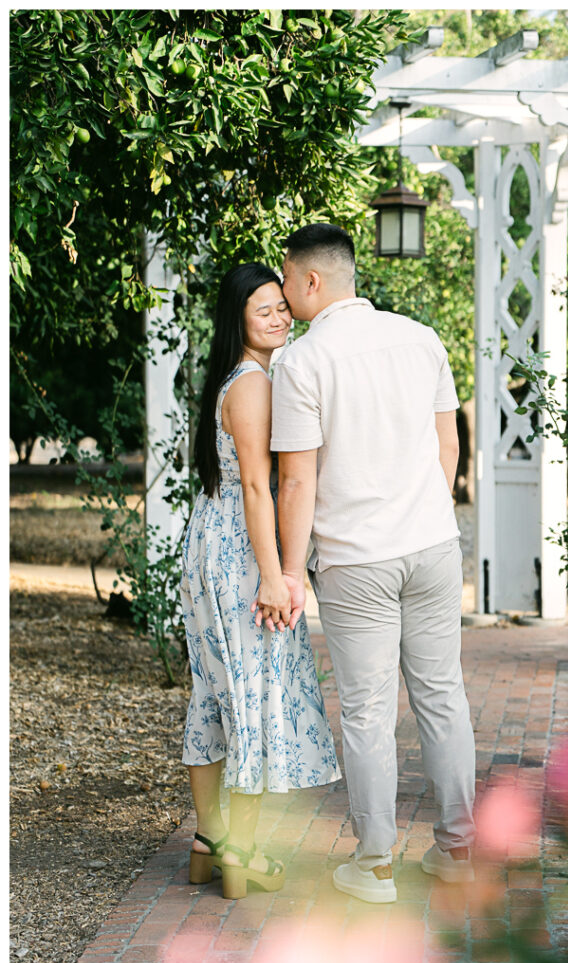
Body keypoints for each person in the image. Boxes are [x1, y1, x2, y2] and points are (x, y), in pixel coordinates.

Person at [264, 224, 476, 904]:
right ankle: (459, 851)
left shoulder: (300, 362)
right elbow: (448, 446)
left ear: (311, 281)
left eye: (288, 279)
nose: (286, 292)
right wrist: (423, 513)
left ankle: (376, 864)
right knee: (442, 695)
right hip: (433, 546)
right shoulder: (420, 338)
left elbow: (296, 482)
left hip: (357, 560)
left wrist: (289, 573)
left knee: (365, 712)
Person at [180, 262, 341, 901]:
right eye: (262, 311)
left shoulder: (257, 376)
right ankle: (238, 853)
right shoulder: (250, 386)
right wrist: (274, 576)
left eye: (281, 306)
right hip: (240, 552)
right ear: (238, 321)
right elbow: (255, 486)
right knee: (246, 695)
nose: (277, 317)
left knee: (217, 693)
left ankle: (208, 841)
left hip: (221, 541)